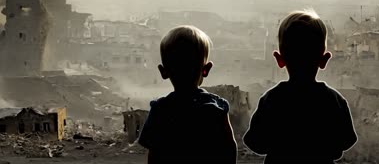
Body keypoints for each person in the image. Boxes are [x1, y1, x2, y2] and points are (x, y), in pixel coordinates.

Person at [243, 10, 358, 163]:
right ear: (324, 60)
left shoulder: (273, 99)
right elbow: (347, 140)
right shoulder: (333, 100)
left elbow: (255, 142)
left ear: (279, 59)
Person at [138, 25, 237, 164]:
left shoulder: (160, 109)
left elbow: (154, 152)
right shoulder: (217, 107)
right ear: (206, 69)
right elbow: (229, 148)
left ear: (163, 72)